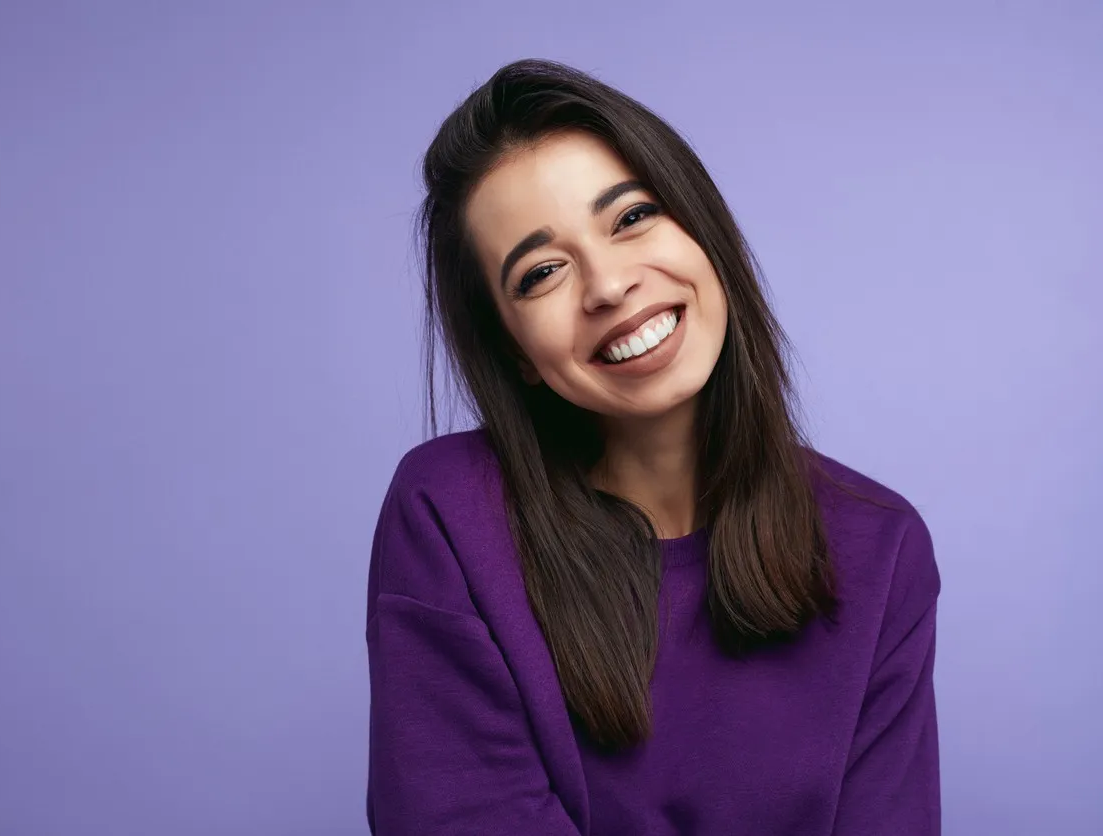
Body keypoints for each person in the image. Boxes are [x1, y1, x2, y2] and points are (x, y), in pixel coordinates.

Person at [365, 58, 941, 836]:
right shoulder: (449, 517)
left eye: (631, 217)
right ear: (515, 356)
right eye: (541, 272)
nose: (607, 285)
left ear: (703, 230)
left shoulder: (880, 548)